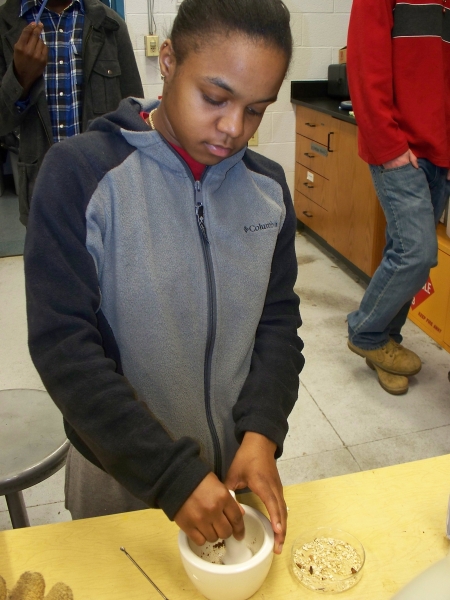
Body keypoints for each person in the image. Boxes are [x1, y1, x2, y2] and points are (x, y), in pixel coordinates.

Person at [24, 0, 304, 554]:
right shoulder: (80, 177)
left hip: (231, 472)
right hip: (119, 471)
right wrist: (171, 477)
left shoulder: (267, 191)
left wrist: (263, 430)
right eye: (216, 98)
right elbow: (65, 349)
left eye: (256, 110)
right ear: (170, 62)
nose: (232, 129)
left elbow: (277, 323)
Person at [346, 0, 450, 395]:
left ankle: (386, 344)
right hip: (399, 149)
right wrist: (388, 146)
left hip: (440, 150)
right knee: (417, 253)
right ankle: (366, 332)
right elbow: (364, 65)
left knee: (404, 253)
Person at [0, 0, 143, 226]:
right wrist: (19, 79)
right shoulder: (5, 25)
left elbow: (135, 120)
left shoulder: (109, 25)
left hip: (104, 192)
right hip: (42, 196)